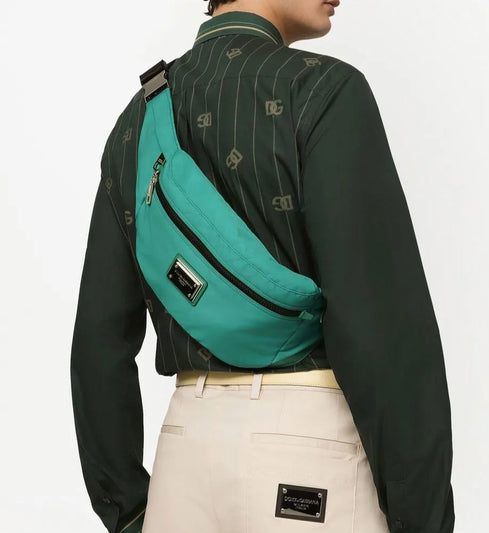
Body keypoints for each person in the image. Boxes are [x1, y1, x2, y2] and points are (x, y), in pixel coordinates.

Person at [70, 1, 455, 532]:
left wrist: (130, 508)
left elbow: (98, 344)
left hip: (184, 454)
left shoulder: (137, 122)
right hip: (308, 447)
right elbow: (383, 335)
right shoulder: (322, 91)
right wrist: (424, 518)